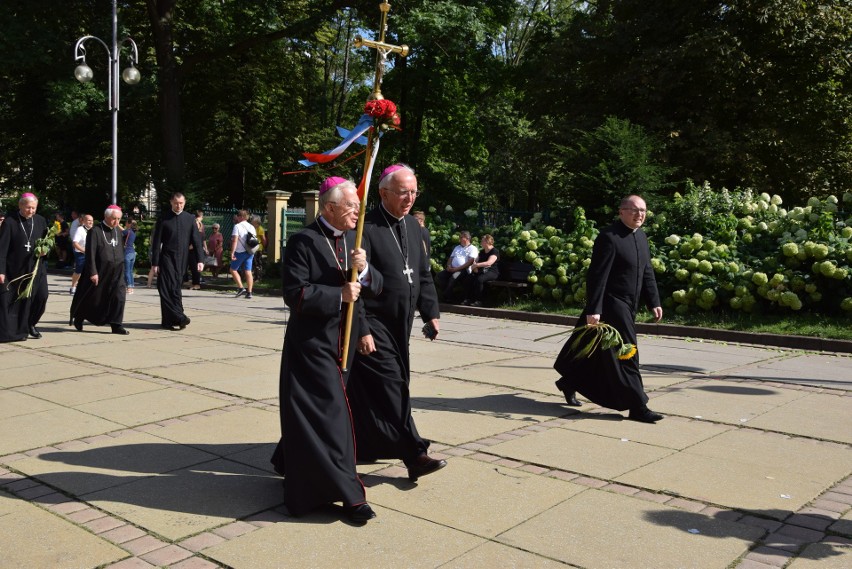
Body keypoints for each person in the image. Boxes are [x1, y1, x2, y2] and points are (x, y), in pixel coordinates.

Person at [270, 177, 383, 524]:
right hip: (312, 345)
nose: (357, 212)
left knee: (314, 417)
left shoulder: (353, 238)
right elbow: (295, 294)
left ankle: (291, 464)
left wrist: (364, 271)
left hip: (345, 343)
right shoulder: (303, 241)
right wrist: (338, 296)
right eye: (351, 206)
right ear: (330, 207)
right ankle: (349, 495)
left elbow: (373, 288)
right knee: (332, 419)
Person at [347, 164, 446, 482]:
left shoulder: (416, 228)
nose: (410, 198)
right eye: (404, 192)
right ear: (383, 193)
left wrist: (431, 312)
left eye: (414, 192)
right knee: (394, 388)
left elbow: (422, 273)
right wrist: (361, 328)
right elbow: (355, 284)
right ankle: (414, 453)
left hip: (399, 325)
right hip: (374, 323)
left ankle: (359, 446)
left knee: (374, 390)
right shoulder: (366, 227)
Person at [553, 195, 664, 423]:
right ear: (621, 211)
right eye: (634, 210)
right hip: (612, 304)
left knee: (593, 351)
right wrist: (594, 309)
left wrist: (654, 301)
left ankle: (569, 381)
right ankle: (637, 406)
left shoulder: (641, 237)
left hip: (630, 305)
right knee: (628, 353)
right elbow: (597, 276)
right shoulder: (609, 237)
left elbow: (647, 272)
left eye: (643, 210)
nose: (640, 215)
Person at [70, 205, 129, 335]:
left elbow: (120, 250)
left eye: (119, 219)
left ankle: (116, 324)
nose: (117, 222)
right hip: (100, 271)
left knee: (119, 296)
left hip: (117, 271)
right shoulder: (95, 231)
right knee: (94, 298)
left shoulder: (117, 231)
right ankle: (80, 316)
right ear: (106, 216)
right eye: (114, 219)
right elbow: (90, 253)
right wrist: (93, 272)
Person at [150, 193, 205, 330]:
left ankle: (175, 319)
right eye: (176, 203)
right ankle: (177, 317)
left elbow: (196, 240)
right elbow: (156, 242)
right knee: (165, 287)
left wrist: (200, 259)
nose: (178, 205)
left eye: (181, 203)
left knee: (175, 288)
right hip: (167, 257)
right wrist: (155, 263)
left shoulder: (189, 218)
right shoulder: (163, 218)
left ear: (184, 203)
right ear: (171, 202)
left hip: (182, 258)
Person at [0, 193, 49, 341]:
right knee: (19, 301)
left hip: (36, 268)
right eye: (28, 207)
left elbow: (47, 242)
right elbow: (2, 249)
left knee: (42, 296)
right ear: (20, 205)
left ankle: (31, 323)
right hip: (15, 270)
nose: (31, 211)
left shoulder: (40, 221)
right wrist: (1, 271)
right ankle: (20, 329)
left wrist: (44, 251)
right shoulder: (10, 222)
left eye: (34, 208)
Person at [435, 230, 478, 302]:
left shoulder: (473, 248)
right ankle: (450, 296)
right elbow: (451, 258)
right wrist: (448, 266)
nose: (459, 239)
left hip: (463, 269)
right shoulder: (457, 247)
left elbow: (470, 262)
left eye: (461, 237)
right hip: (452, 268)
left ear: (467, 238)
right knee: (439, 277)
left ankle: (447, 297)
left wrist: (457, 269)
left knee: (453, 277)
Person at [462, 234, 500, 307]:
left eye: (482, 241)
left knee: (480, 279)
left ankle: (479, 300)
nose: (481, 243)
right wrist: (474, 267)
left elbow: (489, 263)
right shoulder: (482, 252)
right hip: (482, 271)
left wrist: (477, 265)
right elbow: (475, 261)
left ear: (487, 242)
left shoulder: (494, 251)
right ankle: (468, 299)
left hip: (492, 272)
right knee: (469, 278)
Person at [229, 210, 256, 299]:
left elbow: (235, 240)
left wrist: (232, 252)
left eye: (238, 216)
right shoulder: (251, 227)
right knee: (248, 271)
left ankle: (241, 288)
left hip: (240, 251)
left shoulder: (237, 226)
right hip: (250, 251)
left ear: (241, 217)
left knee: (233, 269)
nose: (236, 217)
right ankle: (250, 292)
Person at [70, 214, 94, 294]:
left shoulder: (94, 230)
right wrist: (84, 250)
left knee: (91, 271)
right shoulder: (80, 230)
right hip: (80, 253)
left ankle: (86, 288)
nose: (91, 222)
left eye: (92, 220)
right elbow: (75, 243)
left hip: (91, 253)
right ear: (84, 221)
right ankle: (73, 286)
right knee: (79, 271)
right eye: (88, 220)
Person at [187, 210, 207, 290]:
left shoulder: (196, 224)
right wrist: (205, 247)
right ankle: (194, 283)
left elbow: (197, 237)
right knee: (193, 267)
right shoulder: (201, 225)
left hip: (194, 249)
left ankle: (196, 284)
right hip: (197, 248)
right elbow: (203, 238)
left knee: (195, 267)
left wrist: (191, 245)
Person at [122, 219, 137, 294]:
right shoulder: (133, 232)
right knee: (130, 271)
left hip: (127, 253)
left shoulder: (127, 231)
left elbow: (120, 233)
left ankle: (129, 287)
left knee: (126, 271)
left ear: (129, 224)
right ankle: (131, 287)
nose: (125, 224)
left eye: (126, 222)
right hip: (133, 253)